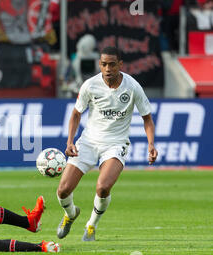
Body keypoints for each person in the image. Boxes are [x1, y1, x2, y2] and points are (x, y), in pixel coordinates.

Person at [55, 46, 158, 242]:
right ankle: (70, 214)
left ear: (120, 64)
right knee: (63, 190)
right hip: (88, 142)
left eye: (112, 64)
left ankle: (91, 225)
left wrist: (151, 144)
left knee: (103, 187)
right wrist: (70, 141)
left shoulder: (132, 86)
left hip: (116, 144)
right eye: (103, 64)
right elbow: (76, 114)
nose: (107, 68)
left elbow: (147, 118)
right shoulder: (90, 85)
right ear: (99, 65)